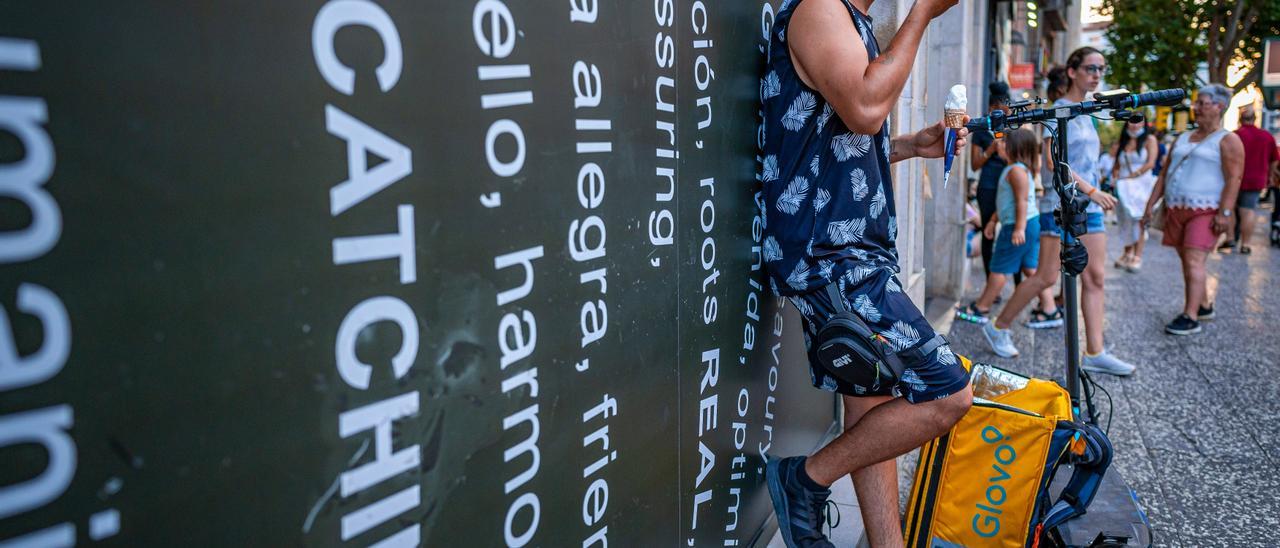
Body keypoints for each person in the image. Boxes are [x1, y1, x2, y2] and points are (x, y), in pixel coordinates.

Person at [757, 1, 972, 546]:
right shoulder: (820, 9)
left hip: (853, 249)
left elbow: (835, 137)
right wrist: (921, 14)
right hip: (830, 254)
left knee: (870, 406)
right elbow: (865, 107)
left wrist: (905, 147)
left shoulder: (850, 23)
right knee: (948, 394)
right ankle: (803, 479)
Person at [981, 51, 1132, 375]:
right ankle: (999, 325)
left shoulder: (1090, 112)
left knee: (1095, 277)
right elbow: (1054, 162)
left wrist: (1092, 193)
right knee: (1047, 277)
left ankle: (1095, 351)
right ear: (1073, 71)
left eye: (1101, 69)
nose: (1097, 75)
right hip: (1060, 204)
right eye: (1091, 68)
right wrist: (1092, 190)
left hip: (1088, 207)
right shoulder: (1057, 112)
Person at [1143, 84, 1244, 335]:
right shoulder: (1183, 137)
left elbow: (1234, 179)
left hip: (1206, 210)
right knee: (1187, 261)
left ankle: (1190, 316)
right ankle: (1205, 304)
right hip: (1176, 208)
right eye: (1196, 103)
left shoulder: (1228, 140)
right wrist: (1150, 204)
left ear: (1219, 107)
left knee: (1194, 260)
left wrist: (1225, 213)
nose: (1195, 108)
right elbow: (1165, 174)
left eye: (1203, 103)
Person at [961, 129, 1041, 330]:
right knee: (1031, 268)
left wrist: (1018, 229)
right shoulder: (1017, 169)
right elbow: (1007, 202)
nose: (1000, 145)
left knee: (999, 268)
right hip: (1028, 224)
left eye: (1005, 142)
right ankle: (1048, 307)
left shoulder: (1015, 171)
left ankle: (982, 307)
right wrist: (991, 221)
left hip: (1018, 225)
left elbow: (1021, 202)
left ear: (1017, 148)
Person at [971, 82, 1012, 279]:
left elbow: (1018, 161)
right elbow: (974, 165)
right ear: (991, 109)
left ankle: (1013, 280)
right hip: (987, 187)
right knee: (989, 234)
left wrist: (1004, 150)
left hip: (1009, 187)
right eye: (999, 110)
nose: (1003, 115)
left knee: (1012, 231)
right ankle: (991, 280)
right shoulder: (980, 129)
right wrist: (991, 149)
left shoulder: (1012, 129)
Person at [1230, 107, 1279, 254]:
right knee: (1248, 210)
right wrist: (1270, 175)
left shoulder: (1235, 135)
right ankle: (1245, 244)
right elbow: (1275, 159)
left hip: (1234, 177)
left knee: (1230, 208)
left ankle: (1231, 239)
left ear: (1240, 119)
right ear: (1255, 118)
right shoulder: (1266, 136)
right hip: (1256, 179)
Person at [1110, 119, 1158, 271]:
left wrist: (1134, 174)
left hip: (1141, 185)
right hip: (1124, 187)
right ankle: (1127, 253)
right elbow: (1117, 165)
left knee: (1139, 220)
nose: (1135, 125)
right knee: (1125, 220)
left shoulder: (1150, 140)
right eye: (1132, 122)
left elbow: (1151, 163)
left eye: (1139, 122)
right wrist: (1116, 178)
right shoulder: (1123, 142)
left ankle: (1137, 255)